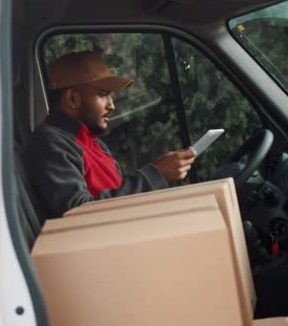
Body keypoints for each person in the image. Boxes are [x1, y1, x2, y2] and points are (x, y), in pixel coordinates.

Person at [23, 50, 197, 219]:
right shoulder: (50, 144)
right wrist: (156, 174)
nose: (112, 105)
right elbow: (77, 214)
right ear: (72, 99)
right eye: (103, 94)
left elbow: (117, 198)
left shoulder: (94, 143)